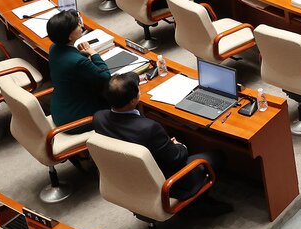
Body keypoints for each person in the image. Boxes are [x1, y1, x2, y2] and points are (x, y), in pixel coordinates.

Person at [94, 74, 229, 212]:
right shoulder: (149, 128)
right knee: (217, 156)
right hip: (167, 182)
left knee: (180, 135)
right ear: (133, 101)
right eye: (138, 90)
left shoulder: (99, 118)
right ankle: (199, 203)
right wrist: (179, 145)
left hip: (128, 177)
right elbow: (176, 158)